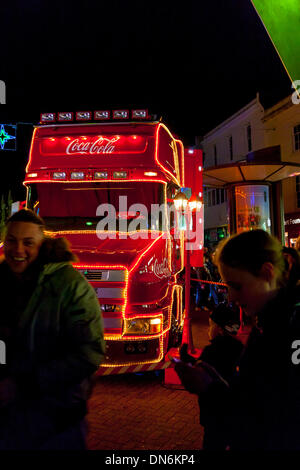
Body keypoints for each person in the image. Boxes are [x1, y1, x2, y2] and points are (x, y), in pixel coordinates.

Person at [176, 229, 300, 450]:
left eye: (237, 286)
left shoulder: (289, 329)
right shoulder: (267, 326)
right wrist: (214, 378)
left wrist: (211, 389)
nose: (231, 297)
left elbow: (271, 422)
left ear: (266, 273)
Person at [0, 209, 105, 450]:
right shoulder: (2, 281)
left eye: (28, 243)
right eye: (12, 241)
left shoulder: (71, 285)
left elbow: (88, 353)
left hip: (57, 422)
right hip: (8, 421)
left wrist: (22, 384)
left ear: (42, 245)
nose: (18, 250)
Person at [178, 303, 243, 450]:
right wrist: (189, 359)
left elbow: (202, 374)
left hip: (215, 413)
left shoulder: (212, 350)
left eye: (211, 325)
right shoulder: (239, 348)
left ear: (219, 329)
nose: (208, 329)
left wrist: (184, 364)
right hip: (234, 412)